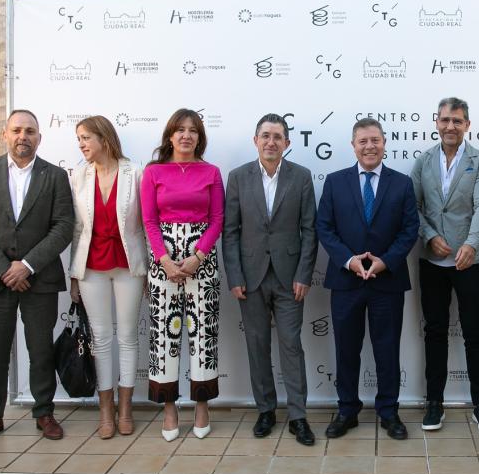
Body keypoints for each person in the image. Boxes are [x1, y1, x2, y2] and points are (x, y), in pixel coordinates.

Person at [0, 109, 73, 447]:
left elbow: (63, 226)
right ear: (5, 134)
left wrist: (27, 265)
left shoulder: (54, 176)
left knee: (40, 350)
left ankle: (44, 413)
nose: (23, 136)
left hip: (40, 280)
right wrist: (6, 269)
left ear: (39, 137)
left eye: (30, 131)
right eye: (17, 130)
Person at [316, 118, 419, 440]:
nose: (370, 146)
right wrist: (349, 260)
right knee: (347, 350)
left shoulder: (402, 184)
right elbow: (325, 228)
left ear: (385, 143)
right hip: (346, 282)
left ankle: (389, 412)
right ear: (353, 145)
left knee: (386, 350)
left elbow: (409, 230)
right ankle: (347, 410)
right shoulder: (334, 182)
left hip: (386, 282)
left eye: (375, 140)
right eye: (363, 141)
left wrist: (384, 262)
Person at [223, 114, 318, 444]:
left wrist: (304, 274)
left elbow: (310, 231)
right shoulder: (237, 178)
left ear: (287, 143)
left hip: (290, 278)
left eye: (278, 137)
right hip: (250, 279)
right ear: (256, 140)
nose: (271, 142)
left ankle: (298, 416)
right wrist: (234, 275)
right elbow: (230, 232)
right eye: (265, 136)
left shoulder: (302, 177)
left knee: (291, 346)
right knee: (257, 345)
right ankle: (266, 410)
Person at [411, 97, 479, 433]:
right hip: (433, 259)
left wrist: (472, 244)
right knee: (434, 332)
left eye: (457, 121)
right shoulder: (423, 161)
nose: (451, 126)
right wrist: (430, 235)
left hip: (468, 261)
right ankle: (434, 403)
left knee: (475, 334)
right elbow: (413, 207)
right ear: (436, 122)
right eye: (445, 120)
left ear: (467, 125)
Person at [140, 108, 223, 442]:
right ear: (170, 135)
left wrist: (197, 257)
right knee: (164, 335)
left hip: (202, 262)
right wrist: (165, 260)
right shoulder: (154, 172)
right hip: (164, 264)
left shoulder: (212, 172)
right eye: (181, 130)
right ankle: (169, 407)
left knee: (204, 334)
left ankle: (202, 405)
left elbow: (217, 219)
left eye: (193, 130)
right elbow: (148, 220)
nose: (187, 135)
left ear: (200, 137)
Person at [68, 115, 148, 439]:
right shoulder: (79, 175)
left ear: (104, 137)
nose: (82, 145)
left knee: (127, 336)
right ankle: (105, 409)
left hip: (128, 264)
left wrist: (148, 269)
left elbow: (145, 225)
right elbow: (77, 227)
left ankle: (126, 408)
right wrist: (74, 275)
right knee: (100, 340)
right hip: (90, 266)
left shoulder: (135, 172)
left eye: (86, 137)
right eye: (79, 140)